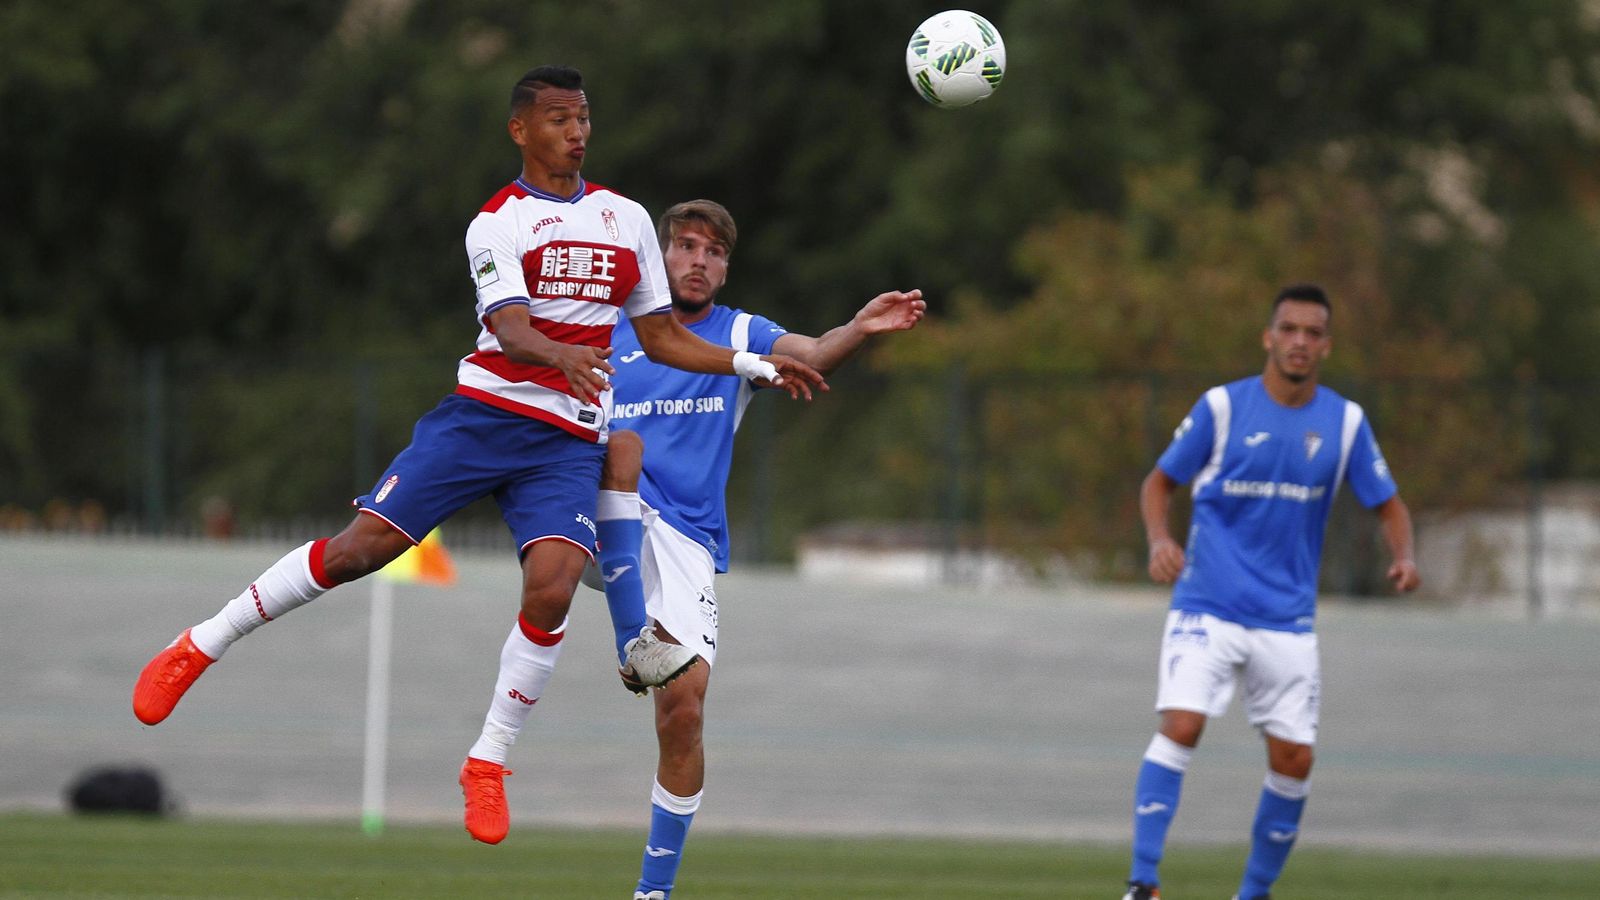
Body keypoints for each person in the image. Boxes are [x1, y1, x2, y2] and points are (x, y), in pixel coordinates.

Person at [128, 66, 827, 840]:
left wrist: (751, 364)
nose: (577, 132)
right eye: (559, 119)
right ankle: (201, 643)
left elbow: (663, 336)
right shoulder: (498, 222)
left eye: (584, 118)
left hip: (564, 441)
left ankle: (488, 760)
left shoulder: (625, 218)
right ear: (520, 130)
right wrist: (562, 356)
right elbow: (513, 327)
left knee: (553, 588)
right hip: (483, 418)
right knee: (360, 551)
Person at [561, 200, 923, 899]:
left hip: (686, 540)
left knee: (686, 705)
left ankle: (653, 890)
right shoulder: (613, 328)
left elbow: (812, 356)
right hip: (607, 515)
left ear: (726, 268)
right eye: (685, 246)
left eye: (713, 251)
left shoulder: (742, 334)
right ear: (662, 256)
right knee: (618, 455)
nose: (698, 260)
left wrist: (862, 327)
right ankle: (630, 639)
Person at [1120, 283, 1420, 900]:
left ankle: (1253, 894)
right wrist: (1158, 541)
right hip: (1209, 603)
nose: (1300, 342)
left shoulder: (1345, 422)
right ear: (1268, 336)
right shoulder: (1223, 409)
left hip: (1285, 620)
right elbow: (1159, 482)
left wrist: (1404, 557)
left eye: (1313, 333)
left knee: (1294, 763)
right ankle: (1143, 884)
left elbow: (1388, 505)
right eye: (1289, 330)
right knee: (1181, 723)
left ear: (1326, 346)